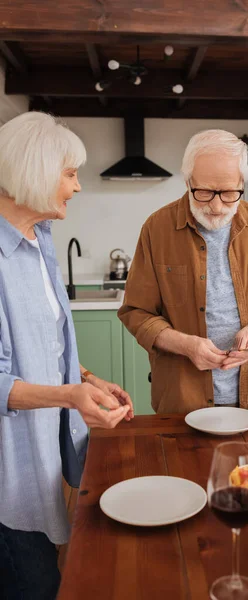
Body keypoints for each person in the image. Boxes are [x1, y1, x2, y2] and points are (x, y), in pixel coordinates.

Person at [0, 112, 134, 600]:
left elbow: (45, 343)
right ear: (35, 170)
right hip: (7, 475)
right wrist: (69, 395)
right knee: (36, 585)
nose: (77, 187)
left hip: (42, 458)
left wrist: (87, 378)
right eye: (71, 173)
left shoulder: (41, 242)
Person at [119, 129, 248, 414]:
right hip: (181, 400)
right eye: (204, 192)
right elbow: (136, 312)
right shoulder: (157, 228)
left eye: (230, 193)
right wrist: (186, 345)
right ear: (188, 180)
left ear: (242, 183)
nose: (216, 206)